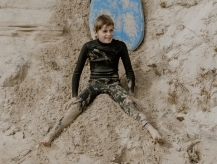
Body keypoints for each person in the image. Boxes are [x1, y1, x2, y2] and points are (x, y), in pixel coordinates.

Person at [41, 14, 163, 146]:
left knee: (129, 105)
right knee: (76, 107)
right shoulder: (88, 47)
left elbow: (129, 70)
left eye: (111, 30)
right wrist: (74, 96)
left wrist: (131, 93)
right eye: (104, 31)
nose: (109, 34)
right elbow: (77, 72)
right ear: (96, 32)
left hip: (113, 84)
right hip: (94, 84)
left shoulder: (120, 46)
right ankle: (52, 133)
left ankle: (151, 129)